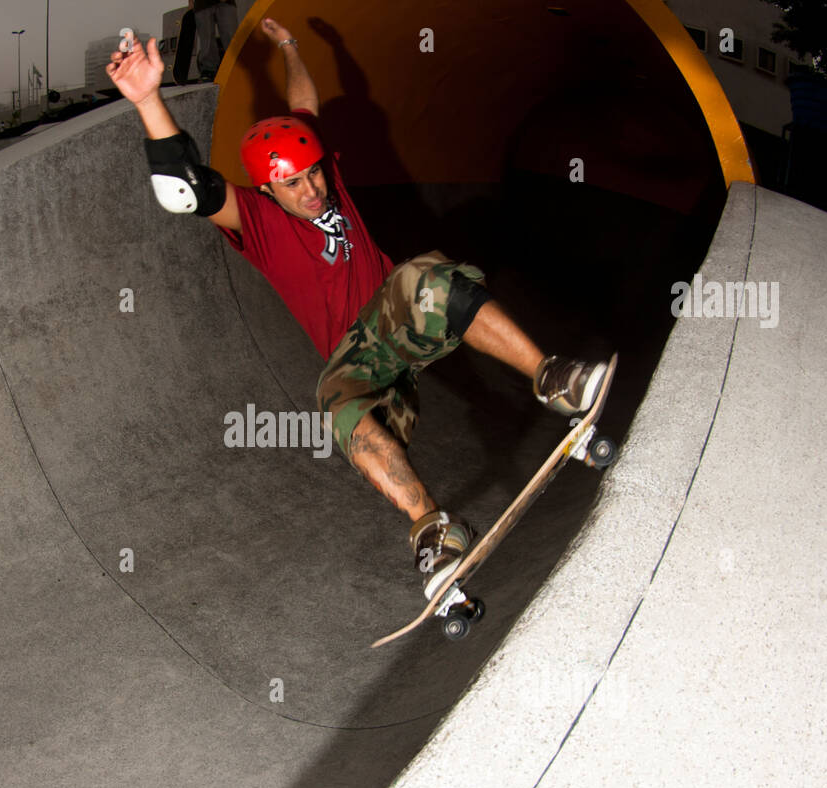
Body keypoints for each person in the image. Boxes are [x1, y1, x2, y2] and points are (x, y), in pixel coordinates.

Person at [106, 19, 608, 597]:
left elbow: (302, 104)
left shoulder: (323, 172)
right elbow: (184, 189)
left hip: (398, 316)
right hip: (359, 359)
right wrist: (148, 100)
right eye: (293, 185)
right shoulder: (257, 219)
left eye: (315, 173)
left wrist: (290, 47)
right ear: (268, 191)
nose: (313, 190)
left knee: (426, 275)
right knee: (332, 402)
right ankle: (432, 531)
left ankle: (553, 378)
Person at [190, 0, 238, 81]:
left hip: (226, 3)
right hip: (202, 4)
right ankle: (209, 70)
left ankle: (236, 66)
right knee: (206, 39)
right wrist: (190, 2)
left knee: (230, 35)